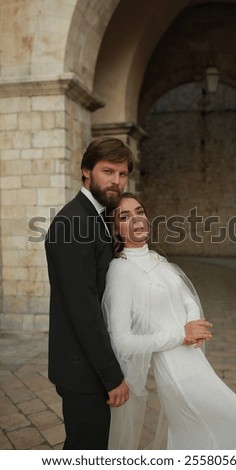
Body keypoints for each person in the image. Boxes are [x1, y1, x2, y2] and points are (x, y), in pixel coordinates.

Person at [102, 193, 236, 450]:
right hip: (176, 373)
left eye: (140, 212)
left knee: (195, 439)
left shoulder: (158, 260)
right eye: (125, 216)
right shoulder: (120, 270)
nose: (136, 219)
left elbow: (188, 299)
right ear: (116, 229)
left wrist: (193, 325)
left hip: (197, 363)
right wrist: (182, 334)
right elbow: (122, 342)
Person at [45, 138, 133, 450]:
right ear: (86, 171)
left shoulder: (95, 217)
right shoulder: (73, 223)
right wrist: (111, 376)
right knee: (86, 450)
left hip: (85, 363)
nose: (116, 181)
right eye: (108, 171)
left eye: (122, 174)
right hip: (82, 368)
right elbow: (84, 310)